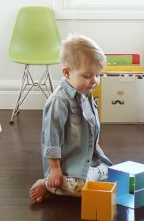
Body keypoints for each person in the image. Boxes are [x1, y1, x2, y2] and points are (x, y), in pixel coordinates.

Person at [29, 34, 112, 203]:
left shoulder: (85, 93)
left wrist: (97, 152)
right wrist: (54, 168)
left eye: (97, 75)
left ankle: (90, 176)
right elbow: (51, 138)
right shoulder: (58, 101)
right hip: (67, 166)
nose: (94, 81)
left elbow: (91, 131)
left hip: (86, 159)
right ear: (67, 72)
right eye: (88, 76)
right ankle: (48, 185)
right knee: (82, 188)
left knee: (113, 174)